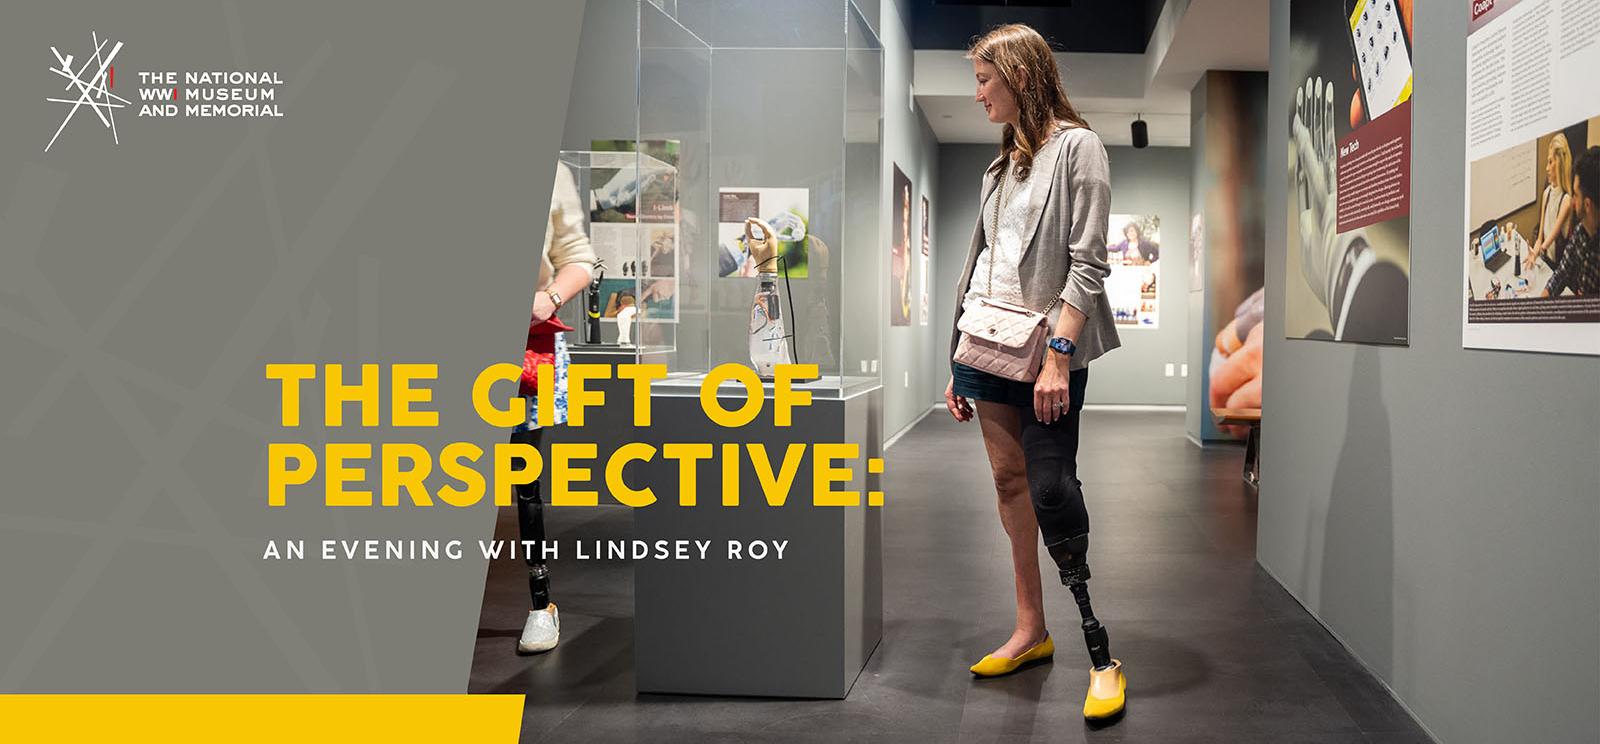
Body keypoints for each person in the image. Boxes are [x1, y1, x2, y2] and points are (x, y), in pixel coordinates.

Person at [943, 23, 1126, 722]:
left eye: (985, 80)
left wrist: (1060, 356)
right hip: (987, 347)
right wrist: (959, 366)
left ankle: (1102, 655)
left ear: (1020, 75)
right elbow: (984, 268)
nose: (979, 94)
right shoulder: (1001, 166)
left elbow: (1088, 262)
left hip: (1048, 352)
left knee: (1051, 488)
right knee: (1008, 481)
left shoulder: (1079, 149)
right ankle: (1032, 629)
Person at [512, 162, 598, 654]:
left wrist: (549, 297)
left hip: (527, 342)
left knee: (523, 476)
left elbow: (579, 257)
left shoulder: (550, 171)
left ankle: (541, 603)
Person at [1544, 147, 1600, 297]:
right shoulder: (1581, 231)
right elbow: (1562, 273)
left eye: (1575, 195)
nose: (1573, 201)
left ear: (1587, 205)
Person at [1527, 133, 1576, 270]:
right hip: (1544, 260)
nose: (1547, 168)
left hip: (1557, 267)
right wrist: (1533, 254)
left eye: (1550, 162)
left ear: (1559, 164)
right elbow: (1540, 238)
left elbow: (1550, 239)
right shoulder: (1546, 193)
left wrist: (1538, 251)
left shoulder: (1566, 200)